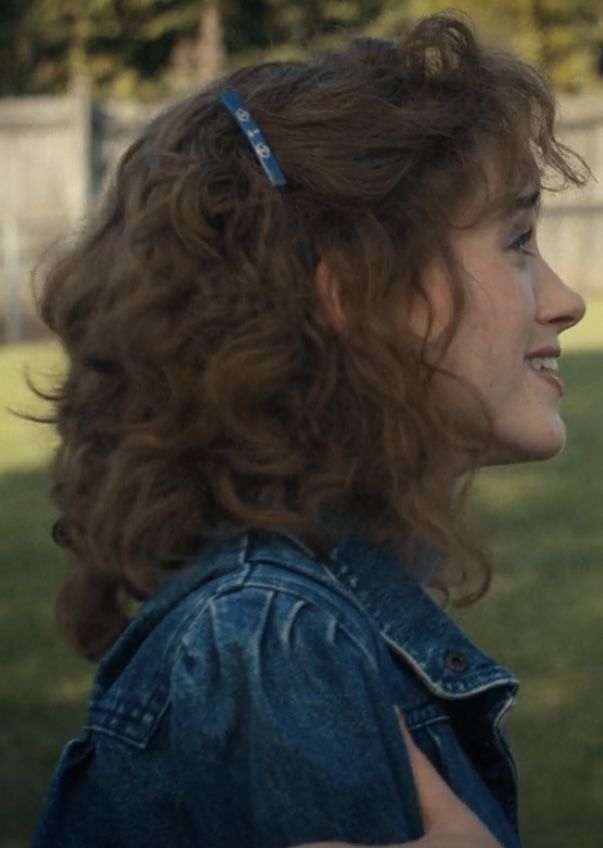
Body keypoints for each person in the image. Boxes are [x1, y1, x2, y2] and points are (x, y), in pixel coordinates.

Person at [30, 13, 587, 848]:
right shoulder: (272, 635)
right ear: (353, 297)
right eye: (517, 242)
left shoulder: (287, 613)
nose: (566, 302)